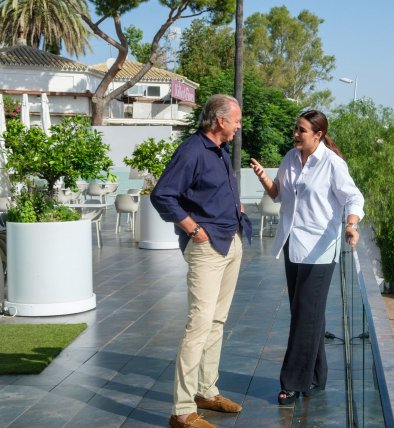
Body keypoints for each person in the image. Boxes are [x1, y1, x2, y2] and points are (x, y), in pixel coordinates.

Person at [250, 109, 364, 405]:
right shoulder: (290, 157)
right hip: (293, 244)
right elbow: (278, 195)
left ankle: (293, 380)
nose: (295, 134)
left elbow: (354, 197)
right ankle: (317, 375)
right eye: (296, 129)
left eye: (301, 130)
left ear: (318, 135)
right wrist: (263, 176)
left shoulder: (332, 163)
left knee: (304, 315)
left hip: (321, 249)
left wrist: (351, 224)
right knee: (305, 314)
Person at [151, 94, 252, 428]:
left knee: (217, 322)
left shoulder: (219, 151)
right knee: (198, 326)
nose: (239, 126)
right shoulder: (193, 151)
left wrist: (234, 209)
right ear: (220, 121)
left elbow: (208, 193)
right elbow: (162, 194)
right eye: (235, 120)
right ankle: (181, 411)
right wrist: (193, 228)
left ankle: (206, 391)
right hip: (207, 248)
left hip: (230, 241)